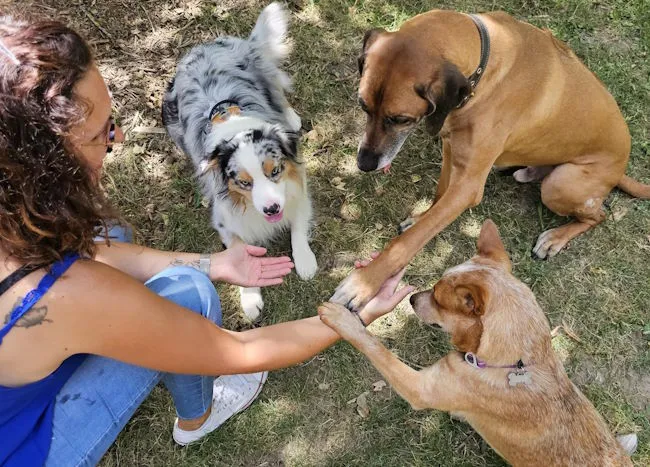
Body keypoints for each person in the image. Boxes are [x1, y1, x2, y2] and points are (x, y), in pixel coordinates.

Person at [0, 15, 414, 467]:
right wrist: (358, 312)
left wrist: (215, 263)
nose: (116, 139)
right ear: (46, 160)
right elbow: (239, 350)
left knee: (114, 238)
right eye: (102, 135)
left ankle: (49, 357)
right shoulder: (66, 294)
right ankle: (198, 417)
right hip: (23, 448)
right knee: (188, 294)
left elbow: (93, 251)